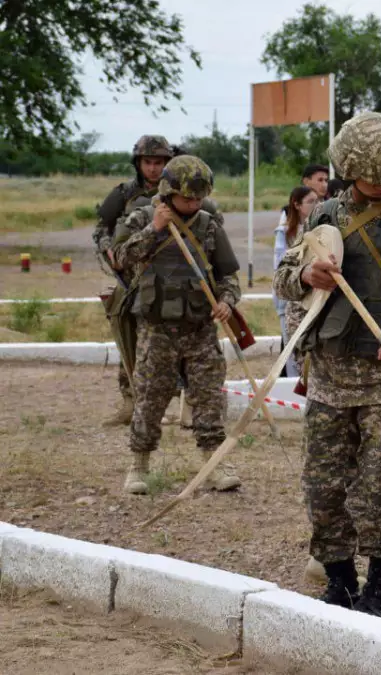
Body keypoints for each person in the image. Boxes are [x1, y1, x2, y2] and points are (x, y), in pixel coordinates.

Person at [273, 113, 381, 618]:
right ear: (349, 167)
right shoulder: (323, 214)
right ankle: (338, 582)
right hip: (329, 375)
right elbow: (286, 276)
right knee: (323, 487)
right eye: (366, 175)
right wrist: (307, 273)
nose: (375, 184)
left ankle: (379, 591)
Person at [111, 155, 242, 495]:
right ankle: (138, 466)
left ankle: (214, 465)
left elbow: (228, 277)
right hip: (157, 332)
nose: (194, 203)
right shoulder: (143, 219)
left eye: (199, 198)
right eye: (187, 198)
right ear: (169, 193)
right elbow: (121, 259)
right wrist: (154, 229)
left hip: (200, 331)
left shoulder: (210, 226)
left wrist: (227, 301)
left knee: (209, 399)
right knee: (150, 399)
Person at [93, 134, 175, 426]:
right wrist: (108, 249)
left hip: (168, 281)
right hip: (130, 281)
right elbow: (101, 227)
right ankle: (131, 402)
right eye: (147, 162)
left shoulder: (178, 191)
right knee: (126, 339)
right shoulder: (123, 194)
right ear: (138, 163)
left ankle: (164, 403)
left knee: (164, 345)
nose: (152, 168)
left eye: (158, 162)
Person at [274, 186, 318, 377]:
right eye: (311, 202)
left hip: (312, 300)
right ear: (297, 205)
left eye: (317, 201)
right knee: (293, 354)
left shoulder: (320, 228)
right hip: (289, 302)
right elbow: (279, 267)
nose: (316, 205)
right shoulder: (285, 232)